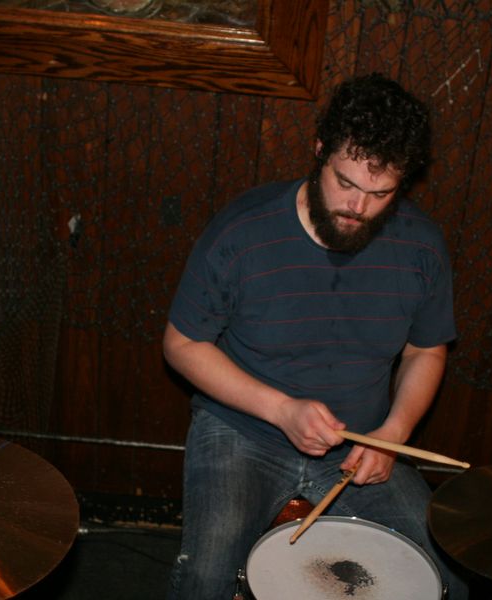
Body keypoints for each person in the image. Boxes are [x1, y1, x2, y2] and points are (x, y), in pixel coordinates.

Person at [163, 73, 467, 599]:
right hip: (244, 430)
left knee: (449, 579)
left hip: (362, 441)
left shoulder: (420, 247)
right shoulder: (243, 232)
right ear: (319, 150)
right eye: (345, 183)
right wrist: (282, 410)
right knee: (206, 580)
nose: (358, 208)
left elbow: (426, 350)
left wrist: (394, 434)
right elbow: (181, 344)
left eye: (380, 193)